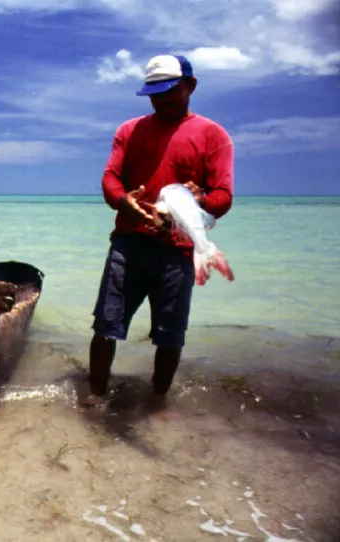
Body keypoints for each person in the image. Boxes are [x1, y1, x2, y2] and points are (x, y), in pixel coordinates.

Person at [86, 54, 234, 408]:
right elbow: (110, 178)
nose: (161, 100)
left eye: (170, 91)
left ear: (191, 86)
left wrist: (201, 201)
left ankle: (157, 403)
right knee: (106, 326)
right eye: (154, 94)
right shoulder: (128, 131)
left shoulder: (213, 135)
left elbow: (223, 196)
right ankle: (94, 396)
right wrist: (123, 201)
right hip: (129, 244)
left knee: (170, 336)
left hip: (179, 250)